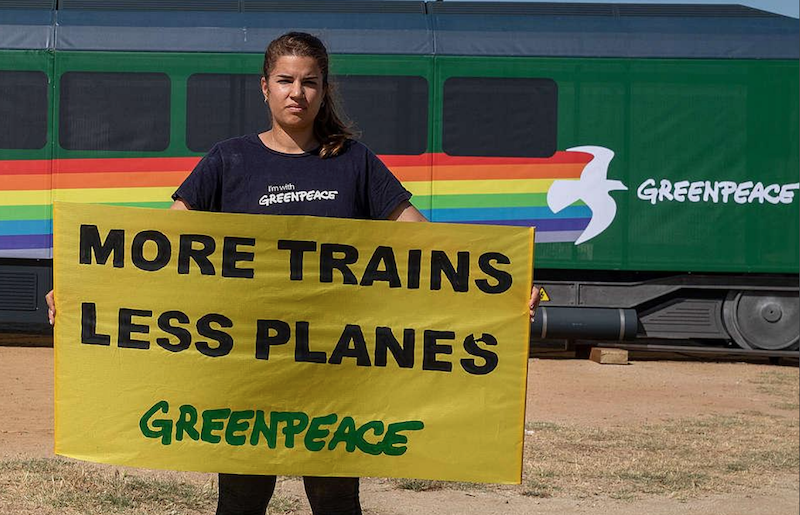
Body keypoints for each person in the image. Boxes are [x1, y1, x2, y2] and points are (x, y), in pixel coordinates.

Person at [46, 31, 540, 515]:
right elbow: (157, 247)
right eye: (285, 80)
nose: (296, 93)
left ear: (324, 90)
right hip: (246, 369)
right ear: (265, 86)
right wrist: (83, 287)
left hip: (335, 371)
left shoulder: (354, 162)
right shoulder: (229, 159)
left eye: (309, 82)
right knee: (241, 497)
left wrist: (505, 287)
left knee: (334, 498)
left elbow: (427, 247)